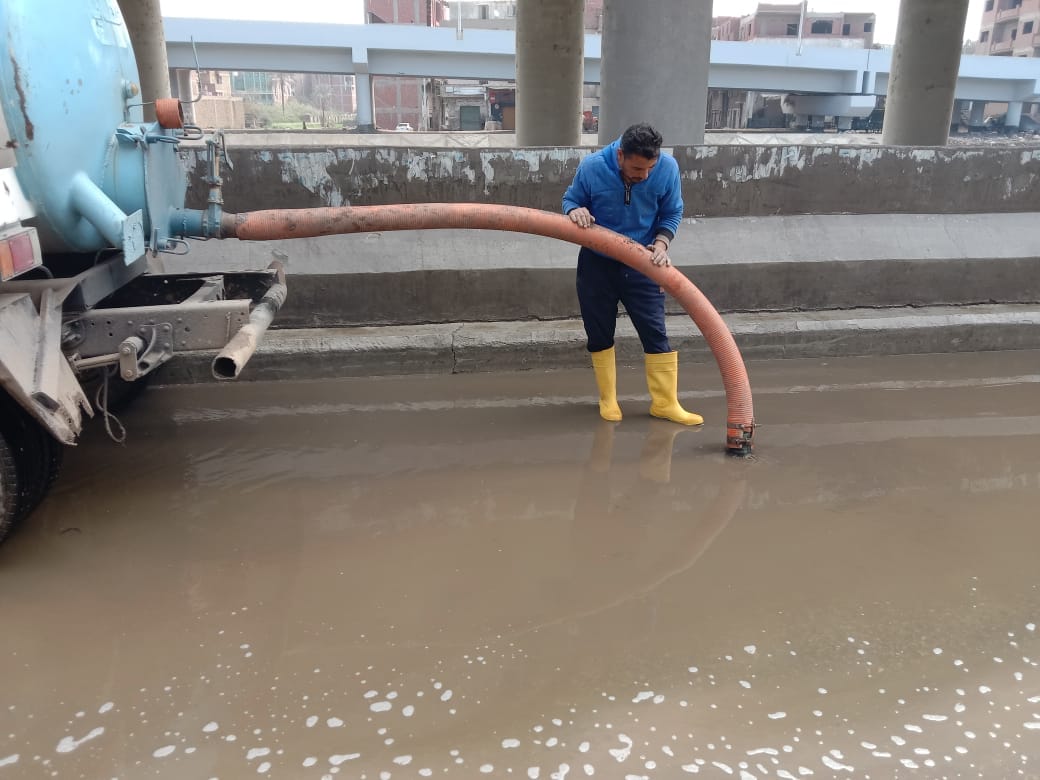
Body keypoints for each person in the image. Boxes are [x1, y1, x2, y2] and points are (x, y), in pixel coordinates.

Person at [562, 122, 703, 427]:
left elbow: (672, 211)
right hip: (597, 263)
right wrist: (575, 211)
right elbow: (571, 200)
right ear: (621, 155)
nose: (644, 176)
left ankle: (665, 403)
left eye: (650, 168)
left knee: (655, 332)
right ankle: (608, 399)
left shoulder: (667, 168)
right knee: (599, 332)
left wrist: (662, 243)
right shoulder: (593, 167)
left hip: (643, 261)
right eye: (638, 168)